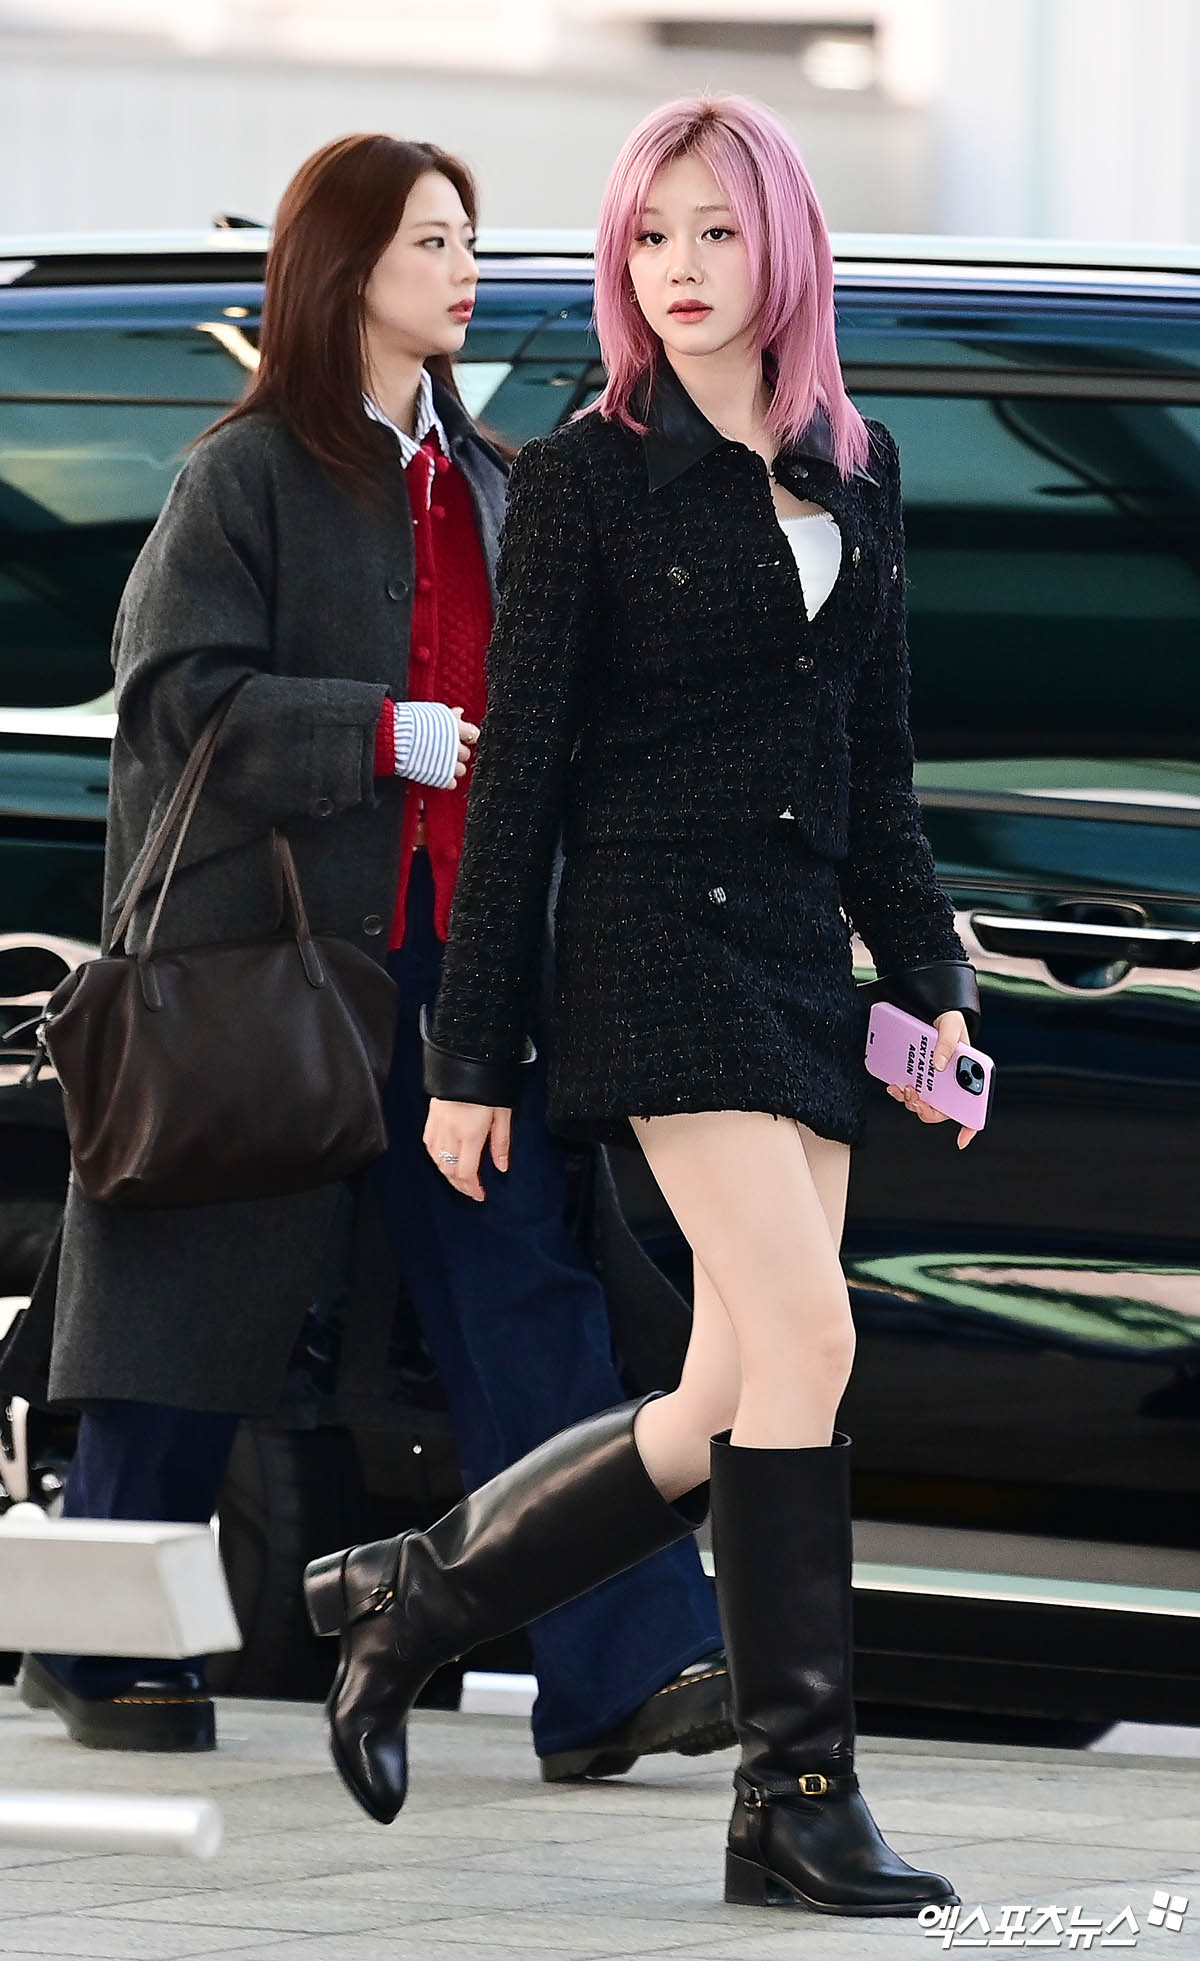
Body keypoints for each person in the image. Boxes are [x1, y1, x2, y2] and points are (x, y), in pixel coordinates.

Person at [306, 96, 986, 1919]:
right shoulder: (589, 475)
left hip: (798, 964)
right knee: (814, 1341)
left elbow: (875, 774)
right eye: (649, 236)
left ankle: (414, 1593)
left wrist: (933, 980)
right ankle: (800, 1790)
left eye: (716, 231)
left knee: (728, 1387)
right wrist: (471, 1058)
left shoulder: (862, 467)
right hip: (653, 949)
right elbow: (518, 778)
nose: (678, 268)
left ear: (785, 246)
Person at [2, 132, 731, 1775]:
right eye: (430, 242)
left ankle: (620, 1671)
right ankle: (99, 1638)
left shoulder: (498, 482)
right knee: (191, 1297)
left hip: (461, 976)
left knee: (528, 1304)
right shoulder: (244, 475)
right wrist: (376, 732)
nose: (466, 270)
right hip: (269, 966)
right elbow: (172, 702)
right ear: (344, 270)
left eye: (470, 240)